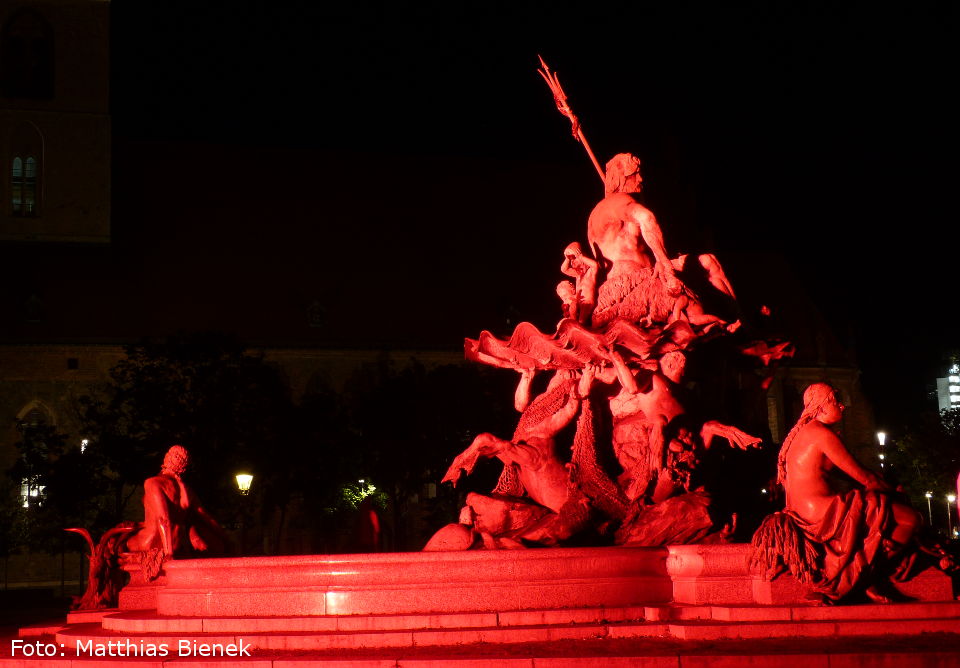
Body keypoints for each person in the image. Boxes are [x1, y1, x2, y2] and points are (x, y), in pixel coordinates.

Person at [772, 383, 921, 603]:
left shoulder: (800, 434)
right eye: (835, 401)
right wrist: (893, 491)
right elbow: (864, 477)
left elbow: (840, 475)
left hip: (803, 509)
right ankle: (861, 579)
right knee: (910, 519)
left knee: (881, 509)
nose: (842, 406)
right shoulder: (821, 434)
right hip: (822, 511)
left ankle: (864, 573)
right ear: (821, 407)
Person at [125, 445, 227, 577]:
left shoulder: (153, 483)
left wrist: (169, 553)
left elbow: (164, 519)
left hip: (154, 543)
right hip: (179, 543)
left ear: (167, 459)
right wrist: (226, 539)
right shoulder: (187, 490)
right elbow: (207, 518)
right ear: (183, 467)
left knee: (118, 542)